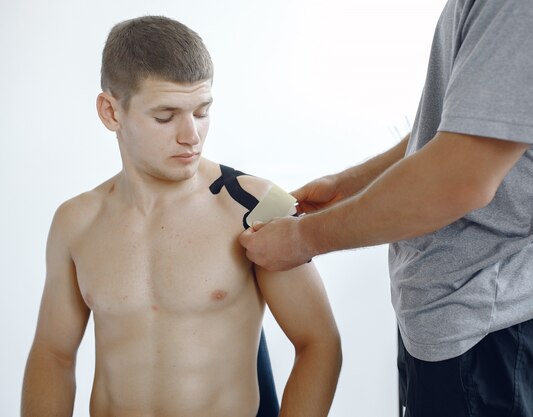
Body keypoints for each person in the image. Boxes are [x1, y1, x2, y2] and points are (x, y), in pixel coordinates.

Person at [239, 0, 533, 415]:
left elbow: (461, 174)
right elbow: (466, 126)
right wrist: (349, 184)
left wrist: (302, 240)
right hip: (476, 311)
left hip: (492, 319)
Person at [21, 15, 341, 417]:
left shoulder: (255, 206)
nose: (191, 135)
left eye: (202, 111)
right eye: (165, 116)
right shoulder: (76, 222)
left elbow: (318, 342)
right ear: (111, 112)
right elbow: (54, 356)